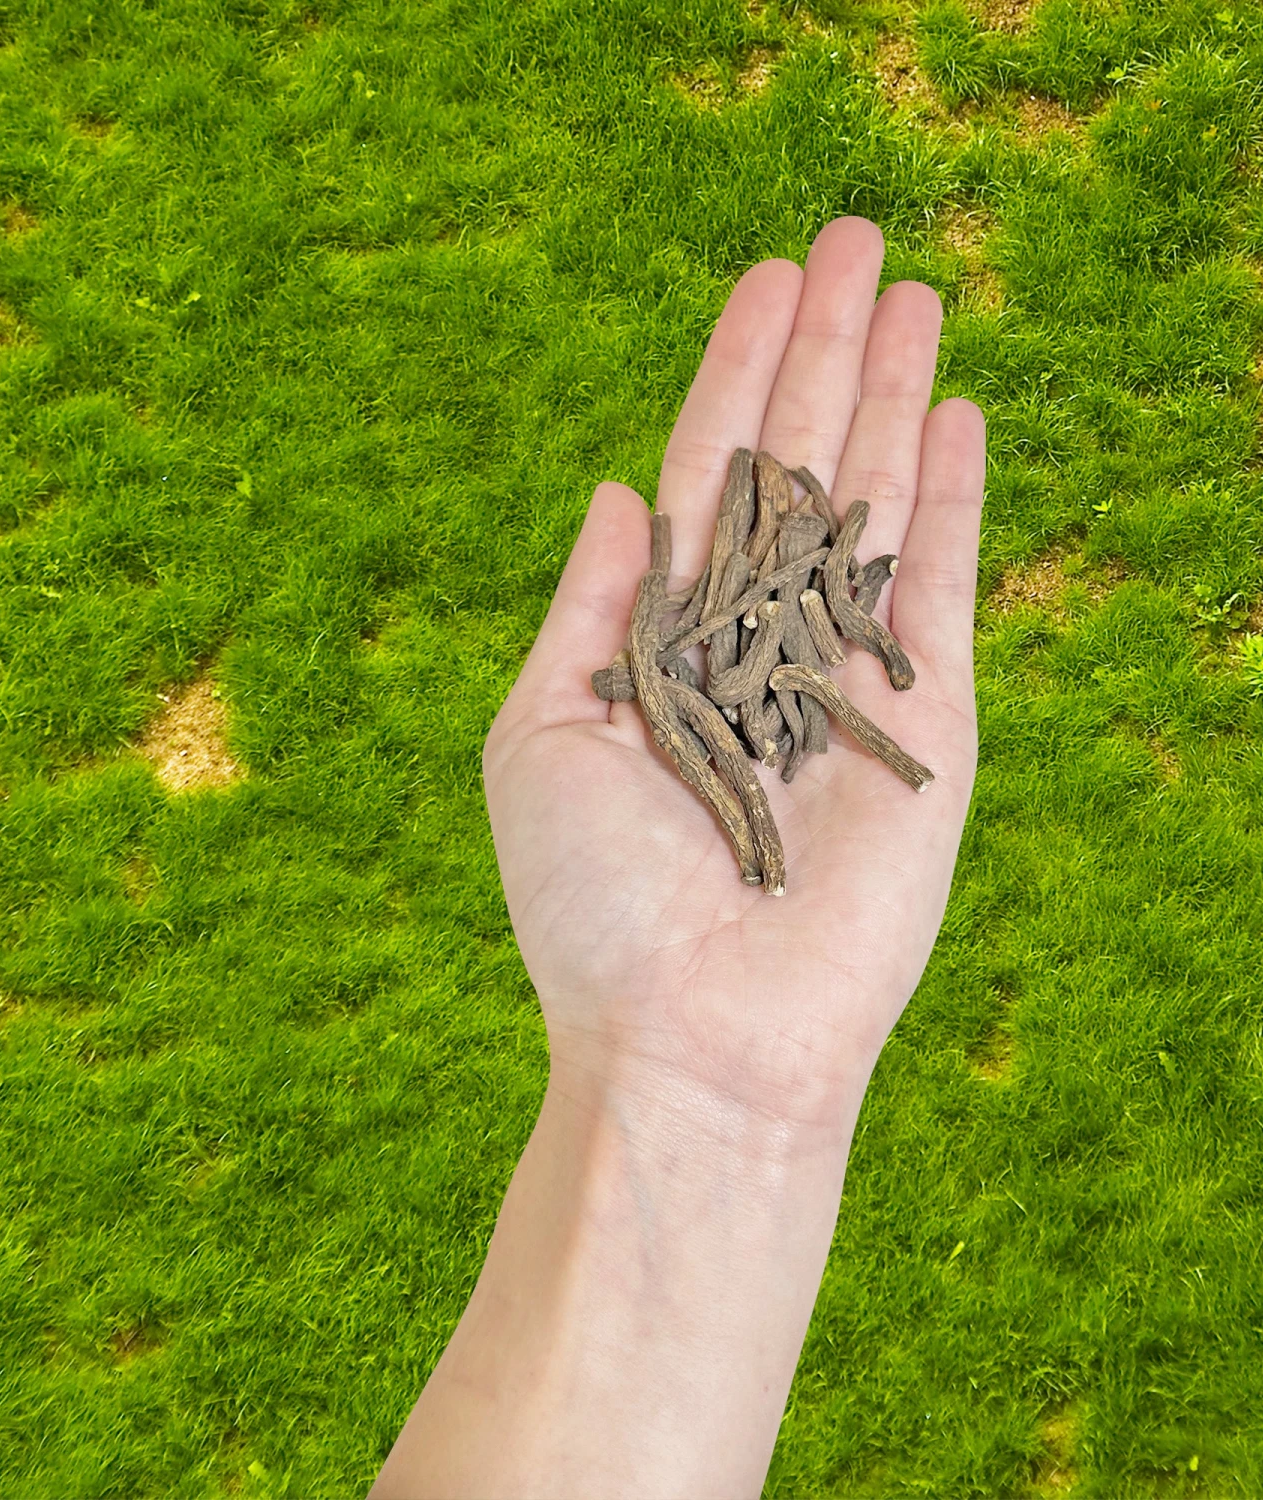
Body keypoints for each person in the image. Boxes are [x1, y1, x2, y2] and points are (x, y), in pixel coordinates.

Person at [369, 215, 986, 1499]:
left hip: (771, 672)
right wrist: (671, 1075)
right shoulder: (708, 653)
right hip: (744, 685)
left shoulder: (789, 631)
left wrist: (670, 1086)